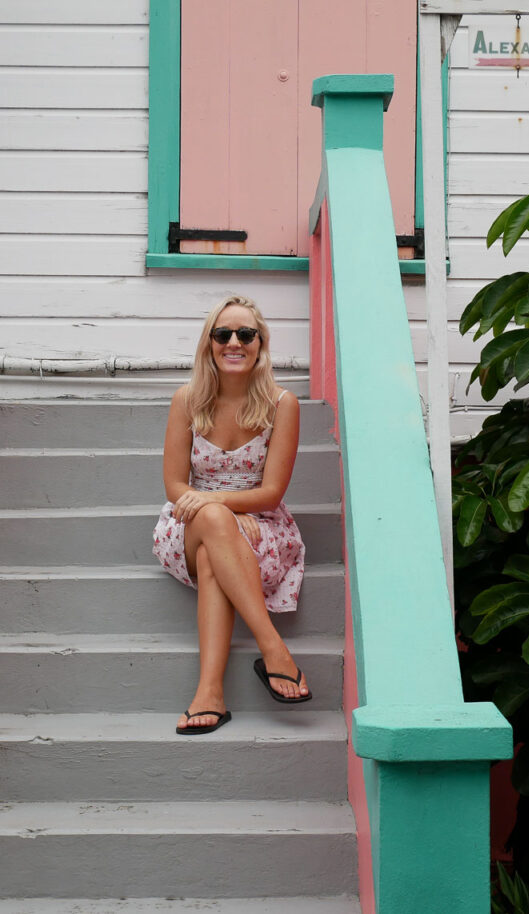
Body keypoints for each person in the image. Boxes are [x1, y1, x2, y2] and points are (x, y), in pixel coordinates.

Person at [152, 294, 311, 735]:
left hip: (260, 526)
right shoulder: (187, 400)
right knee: (213, 526)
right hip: (187, 522)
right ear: (209, 344)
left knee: (212, 553)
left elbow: (272, 492)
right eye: (223, 334)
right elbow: (175, 486)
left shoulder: (283, 405)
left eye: (246, 334)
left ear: (261, 344)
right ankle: (274, 649)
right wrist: (213, 508)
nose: (234, 342)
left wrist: (218, 505)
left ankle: (210, 694)